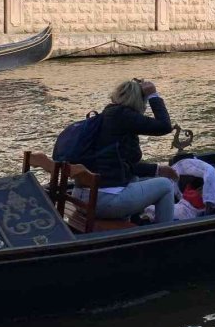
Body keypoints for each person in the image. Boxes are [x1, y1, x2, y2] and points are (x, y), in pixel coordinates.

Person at [72, 79, 178, 224]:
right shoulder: (124, 115)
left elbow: (125, 164)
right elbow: (164, 126)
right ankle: (165, 234)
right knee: (166, 185)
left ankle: (134, 223)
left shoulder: (107, 115)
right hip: (102, 201)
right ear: (139, 101)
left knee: (138, 179)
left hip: (81, 197)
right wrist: (153, 95)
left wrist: (157, 169)